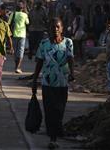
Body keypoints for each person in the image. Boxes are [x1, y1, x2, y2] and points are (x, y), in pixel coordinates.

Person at [32, 17, 75, 149]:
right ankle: (52, 138)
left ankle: (57, 130)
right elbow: (39, 62)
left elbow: (70, 59)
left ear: (62, 28)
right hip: (47, 83)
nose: (55, 29)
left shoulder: (68, 43)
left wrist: (72, 73)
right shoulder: (44, 44)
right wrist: (34, 80)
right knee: (50, 111)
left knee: (60, 110)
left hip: (62, 84)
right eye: (52, 27)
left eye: (57, 27)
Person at [8, 2, 29, 73]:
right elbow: (27, 23)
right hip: (22, 35)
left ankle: (16, 66)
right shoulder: (25, 15)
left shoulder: (13, 14)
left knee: (15, 51)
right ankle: (18, 67)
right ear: (22, 8)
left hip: (14, 35)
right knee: (21, 51)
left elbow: (8, 23)